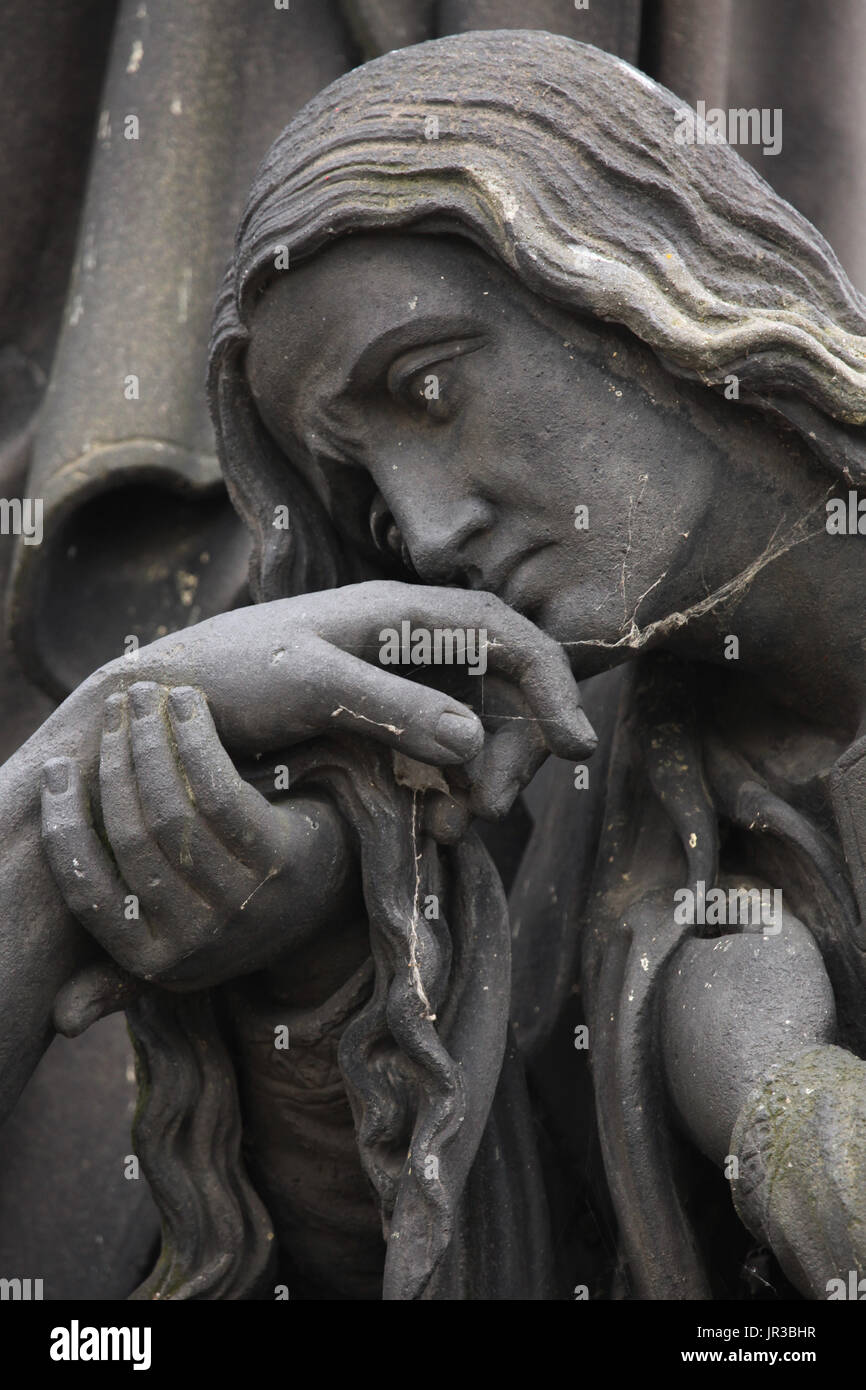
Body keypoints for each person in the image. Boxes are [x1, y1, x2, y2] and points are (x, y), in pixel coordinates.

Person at [4, 30, 866, 1298]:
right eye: (358, 478)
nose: (423, 526)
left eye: (423, 387)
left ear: (629, 274)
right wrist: (311, 968)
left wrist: (786, 1118)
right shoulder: (582, 790)